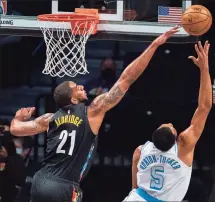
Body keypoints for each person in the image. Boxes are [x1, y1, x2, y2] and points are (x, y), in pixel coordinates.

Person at [10, 25, 180, 202]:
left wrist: (18, 117)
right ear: (73, 100)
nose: (81, 86)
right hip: (65, 185)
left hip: (41, 181)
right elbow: (127, 78)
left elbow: (15, 129)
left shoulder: (49, 119)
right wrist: (154, 45)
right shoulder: (93, 111)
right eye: (76, 88)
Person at [123, 41, 212, 202]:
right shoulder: (183, 148)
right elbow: (204, 106)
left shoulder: (142, 150)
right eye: (170, 126)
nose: (169, 123)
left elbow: (135, 186)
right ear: (176, 137)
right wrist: (204, 68)